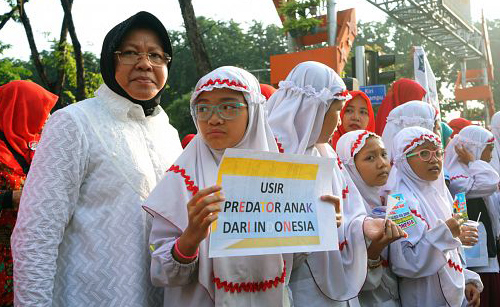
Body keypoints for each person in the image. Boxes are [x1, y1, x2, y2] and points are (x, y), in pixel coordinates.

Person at [12, 11, 182, 306]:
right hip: (89, 296)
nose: (145, 63)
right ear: (109, 59)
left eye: (156, 55)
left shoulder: (168, 132)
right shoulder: (75, 123)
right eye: (130, 53)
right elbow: (36, 234)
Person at [144, 66, 293, 306]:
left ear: (253, 111)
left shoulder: (281, 177)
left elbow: (291, 261)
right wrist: (190, 239)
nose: (214, 118)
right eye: (203, 109)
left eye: (228, 106)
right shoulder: (181, 180)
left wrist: (323, 223)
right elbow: (162, 273)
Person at [266, 61, 386, 306]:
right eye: (337, 111)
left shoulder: (325, 154)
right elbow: (261, 245)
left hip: (333, 288)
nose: (340, 122)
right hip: (297, 291)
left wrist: (362, 226)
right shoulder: (269, 156)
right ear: (314, 109)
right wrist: (313, 226)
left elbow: (349, 215)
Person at [385, 126, 482, 307]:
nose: (434, 160)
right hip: (424, 298)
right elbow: (406, 263)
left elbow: (453, 251)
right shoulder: (399, 202)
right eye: (424, 153)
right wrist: (446, 233)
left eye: (438, 153)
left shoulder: (440, 194)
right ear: (404, 159)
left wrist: (467, 279)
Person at [0, 80, 57, 306]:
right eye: (41, 111)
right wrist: (9, 198)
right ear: (21, 110)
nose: (47, 119)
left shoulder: (41, 146)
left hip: (29, 255)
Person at [336, 130, 405, 306]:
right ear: (350, 166)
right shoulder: (347, 211)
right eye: (370, 158)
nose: (382, 164)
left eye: (383, 154)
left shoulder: (391, 200)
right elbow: (356, 281)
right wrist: (377, 246)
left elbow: (410, 256)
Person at [444, 125, 500, 306]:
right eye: (488, 149)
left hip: (486, 256)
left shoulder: (472, 173)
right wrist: (472, 160)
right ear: (473, 149)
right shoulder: (456, 179)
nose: (491, 155)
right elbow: (490, 182)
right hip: (474, 262)